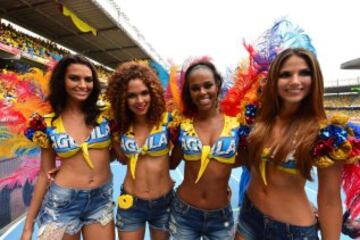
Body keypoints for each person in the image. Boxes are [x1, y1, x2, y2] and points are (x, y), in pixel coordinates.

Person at [235, 48, 356, 240]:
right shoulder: (256, 118)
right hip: (249, 218)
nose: (295, 81)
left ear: (315, 78)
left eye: (304, 73)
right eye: (285, 75)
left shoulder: (326, 134)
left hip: (292, 232)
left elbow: (330, 200)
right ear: (274, 80)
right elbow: (239, 159)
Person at [21, 55, 114, 240]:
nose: (82, 85)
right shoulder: (46, 124)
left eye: (88, 79)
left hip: (101, 201)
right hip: (62, 203)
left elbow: (110, 156)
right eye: (74, 78)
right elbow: (44, 173)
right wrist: (28, 227)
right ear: (61, 81)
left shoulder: (106, 116)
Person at [169, 60, 242, 240]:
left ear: (217, 85)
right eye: (195, 88)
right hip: (184, 213)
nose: (202, 92)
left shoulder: (237, 125)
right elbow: (171, 164)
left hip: (221, 217)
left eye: (208, 85)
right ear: (189, 92)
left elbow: (250, 161)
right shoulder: (183, 125)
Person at [106, 62, 174, 240]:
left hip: (164, 203)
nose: (140, 101)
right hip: (131, 204)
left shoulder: (169, 121)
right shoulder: (118, 127)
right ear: (122, 98)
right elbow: (120, 158)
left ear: (153, 92)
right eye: (132, 96)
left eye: (144, 93)